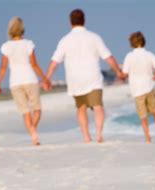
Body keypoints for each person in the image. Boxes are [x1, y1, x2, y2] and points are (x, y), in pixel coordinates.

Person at [45, 8, 123, 143]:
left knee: (81, 108)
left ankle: (86, 137)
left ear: (70, 22)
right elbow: (108, 57)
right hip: (93, 77)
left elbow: (54, 62)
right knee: (98, 106)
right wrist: (118, 72)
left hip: (75, 80)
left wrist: (47, 78)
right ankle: (98, 134)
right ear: (84, 20)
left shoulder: (65, 40)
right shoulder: (94, 37)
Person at [0, 16, 51, 146]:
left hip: (15, 82)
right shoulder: (28, 44)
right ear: (22, 29)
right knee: (37, 110)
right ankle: (34, 134)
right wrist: (45, 79)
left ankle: (33, 135)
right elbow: (34, 64)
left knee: (25, 112)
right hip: (30, 79)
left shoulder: (6, 47)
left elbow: (3, 67)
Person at [121, 32, 155, 144]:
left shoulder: (129, 56)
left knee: (143, 116)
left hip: (137, 90)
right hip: (149, 87)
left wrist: (121, 76)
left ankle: (147, 137)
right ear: (143, 42)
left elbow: (124, 73)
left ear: (131, 44)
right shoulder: (149, 54)